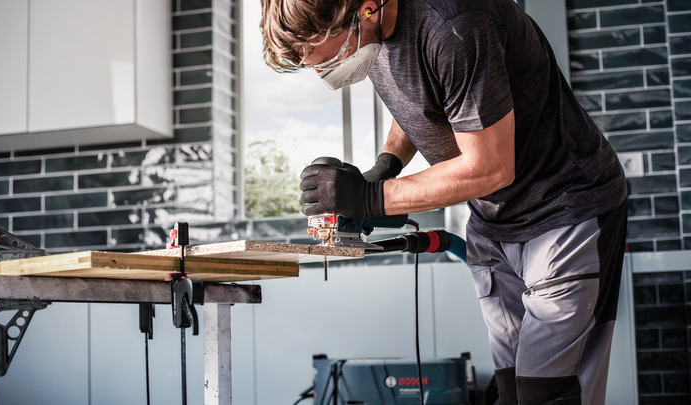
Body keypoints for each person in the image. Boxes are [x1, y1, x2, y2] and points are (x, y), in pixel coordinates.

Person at [260, 0, 628, 403]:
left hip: (563, 209)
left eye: (317, 53)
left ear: (365, 9)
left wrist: (367, 197)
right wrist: (387, 165)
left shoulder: (455, 25)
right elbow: (425, 94)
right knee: (509, 389)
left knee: (548, 392)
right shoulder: (377, 29)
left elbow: (490, 168)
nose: (316, 70)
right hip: (493, 221)